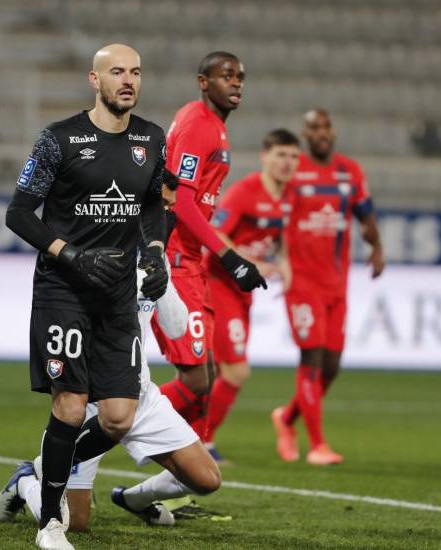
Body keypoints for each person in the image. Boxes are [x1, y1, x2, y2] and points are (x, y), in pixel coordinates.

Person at [4, 43, 169, 550]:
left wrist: (156, 253)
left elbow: (150, 208)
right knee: (72, 407)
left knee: (118, 418)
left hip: (118, 297)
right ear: (93, 80)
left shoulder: (151, 138)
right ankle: (50, 523)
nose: (128, 80)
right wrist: (70, 254)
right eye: (116, 71)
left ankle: (36, 473)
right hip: (64, 290)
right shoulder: (59, 140)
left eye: (135, 72)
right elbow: (19, 213)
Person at [152, 52, 266, 459]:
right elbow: (182, 203)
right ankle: (103, 424)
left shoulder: (210, 125)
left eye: (240, 77)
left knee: (207, 374)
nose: (235, 83)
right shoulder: (201, 125)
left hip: (191, 262)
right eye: (226, 76)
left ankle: (161, 486)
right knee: (199, 381)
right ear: (204, 81)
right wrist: (230, 257)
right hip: (177, 262)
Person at [271, 109, 385, 466]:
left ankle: (287, 418)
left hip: (337, 283)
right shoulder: (293, 172)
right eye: (313, 128)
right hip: (302, 283)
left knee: (332, 365)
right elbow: (274, 218)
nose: (321, 133)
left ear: (333, 131)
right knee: (312, 357)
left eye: (325, 127)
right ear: (304, 134)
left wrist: (377, 247)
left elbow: (365, 215)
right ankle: (317, 445)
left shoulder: (349, 172)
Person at [203, 129, 301, 456]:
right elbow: (216, 233)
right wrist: (256, 261)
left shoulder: (288, 197)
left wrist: (284, 268)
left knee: (216, 370)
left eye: (293, 157)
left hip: (244, 289)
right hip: (218, 284)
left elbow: (281, 240)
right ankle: (204, 440)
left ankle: (193, 438)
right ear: (265, 156)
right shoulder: (245, 192)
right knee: (236, 370)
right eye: (281, 155)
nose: (287, 163)